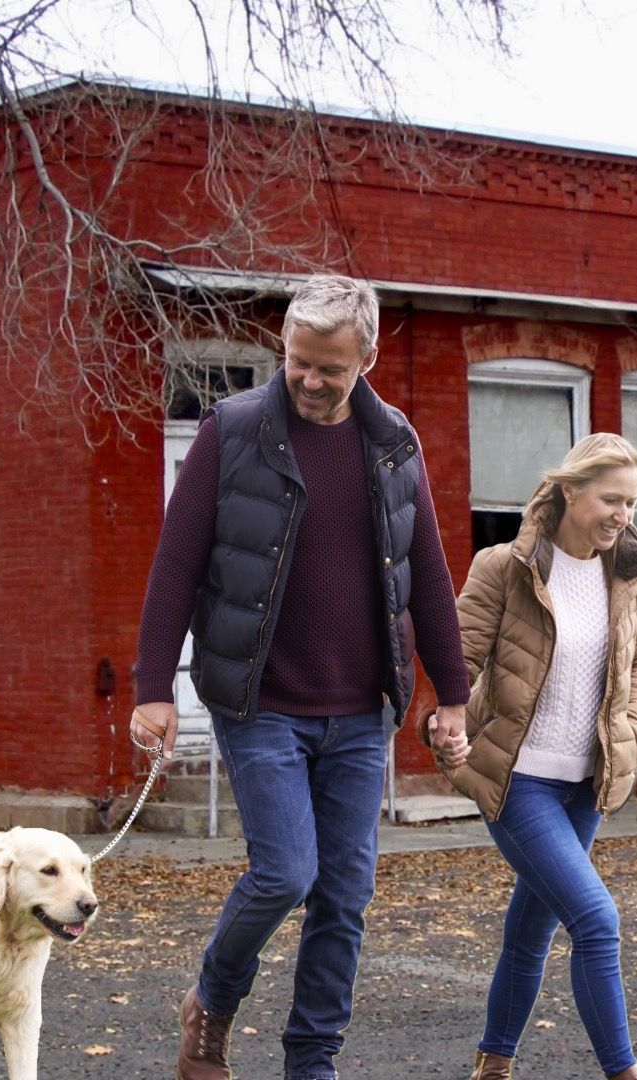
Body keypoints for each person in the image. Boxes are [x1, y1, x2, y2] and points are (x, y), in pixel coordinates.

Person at [130, 274, 472, 1080]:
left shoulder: (395, 444)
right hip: (262, 701)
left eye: (332, 368)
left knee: (344, 897)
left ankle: (311, 1062)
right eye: (298, 362)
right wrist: (153, 687)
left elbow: (427, 574)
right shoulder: (232, 431)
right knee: (286, 871)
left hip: (360, 709)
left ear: (368, 357)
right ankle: (211, 1003)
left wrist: (452, 693)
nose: (311, 381)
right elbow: (176, 565)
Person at [427, 433, 637, 1080]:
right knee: (595, 918)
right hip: (518, 780)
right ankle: (624, 1074)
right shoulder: (504, 566)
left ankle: (492, 1067)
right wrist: (442, 722)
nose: (624, 515)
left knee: (531, 933)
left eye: (632, 503)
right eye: (612, 499)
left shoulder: (626, 576)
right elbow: (459, 659)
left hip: (585, 783)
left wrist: (635, 729)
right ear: (569, 492)